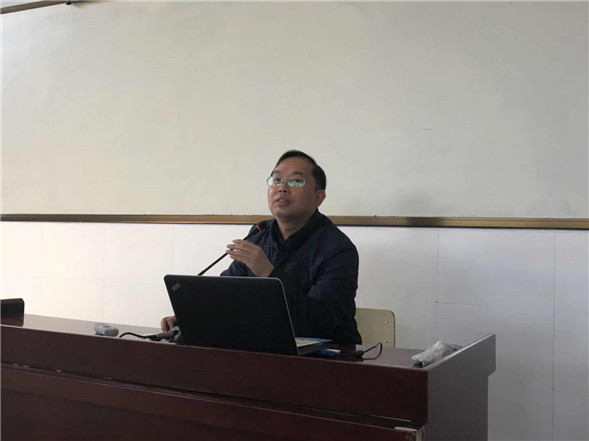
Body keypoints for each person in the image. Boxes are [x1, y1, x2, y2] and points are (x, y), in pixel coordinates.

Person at [162, 150, 361, 344]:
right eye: (276, 180)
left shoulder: (339, 250)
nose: (282, 188)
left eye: (295, 181)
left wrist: (268, 272)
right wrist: (191, 315)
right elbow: (225, 293)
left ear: (318, 197)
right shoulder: (259, 233)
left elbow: (317, 325)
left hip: (326, 356)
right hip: (265, 347)